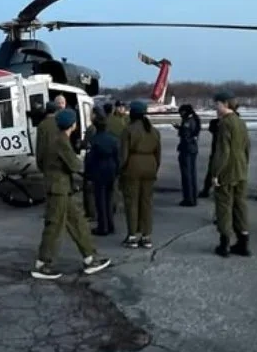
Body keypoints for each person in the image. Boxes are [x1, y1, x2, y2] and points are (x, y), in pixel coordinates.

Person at [31, 107, 111, 280]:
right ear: (72, 125)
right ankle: (44, 263)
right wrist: (83, 159)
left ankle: (90, 257)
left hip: (61, 188)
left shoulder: (56, 139)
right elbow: (75, 166)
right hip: (58, 188)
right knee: (55, 226)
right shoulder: (61, 141)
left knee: (78, 222)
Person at [210, 93, 251, 257]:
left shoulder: (225, 124)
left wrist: (215, 173)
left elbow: (222, 152)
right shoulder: (241, 122)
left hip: (227, 171)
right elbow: (247, 147)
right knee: (240, 206)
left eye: (217, 104)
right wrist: (243, 166)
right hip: (240, 170)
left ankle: (224, 244)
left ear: (226, 104)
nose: (215, 107)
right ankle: (243, 242)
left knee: (224, 207)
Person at [119, 100, 161, 249]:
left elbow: (123, 154)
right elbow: (158, 154)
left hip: (133, 166)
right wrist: (154, 168)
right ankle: (146, 235)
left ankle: (132, 236)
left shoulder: (128, 130)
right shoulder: (154, 131)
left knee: (132, 202)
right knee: (146, 202)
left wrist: (121, 169)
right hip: (150, 166)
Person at [85, 114, 121, 236]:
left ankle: (103, 226)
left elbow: (90, 158)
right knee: (109, 198)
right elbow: (118, 157)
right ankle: (111, 225)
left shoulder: (94, 140)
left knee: (100, 200)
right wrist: (117, 171)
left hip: (99, 170)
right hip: (111, 169)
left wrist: (88, 174)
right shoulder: (113, 139)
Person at [176, 104, 202, 206]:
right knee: (192, 174)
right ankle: (193, 197)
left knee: (187, 175)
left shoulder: (187, 121)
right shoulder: (194, 119)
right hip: (193, 149)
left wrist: (181, 130)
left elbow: (187, 136)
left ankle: (189, 199)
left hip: (187, 150)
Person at [200, 113, 220, 199]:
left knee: (212, 172)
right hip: (217, 151)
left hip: (217, 151)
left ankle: (206, 190)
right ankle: (207, 189)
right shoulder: (217, 123)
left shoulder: (217, 123)